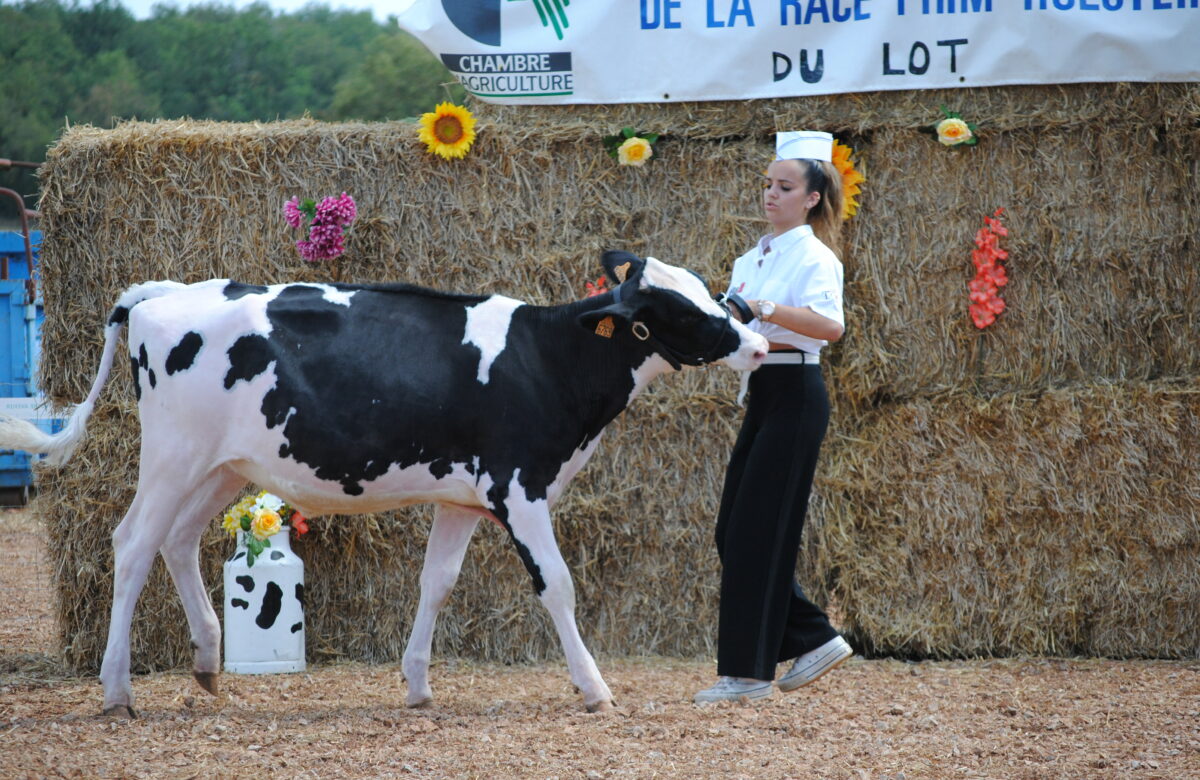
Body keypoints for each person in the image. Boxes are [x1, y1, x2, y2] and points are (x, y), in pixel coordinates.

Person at [694, 130, 853, 704]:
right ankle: (811, 636)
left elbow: (830, 327)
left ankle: (748, 674)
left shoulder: (815, 256)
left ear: (812, 197)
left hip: (796, 389)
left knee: (758, 531)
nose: (770, 194)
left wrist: (761, 307)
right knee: (733, 531)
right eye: (767, 184)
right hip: (762, 391)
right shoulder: (751, 257)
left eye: (784, 186)